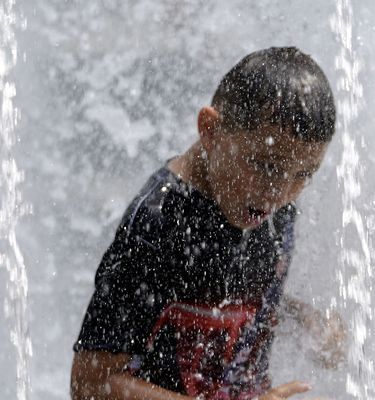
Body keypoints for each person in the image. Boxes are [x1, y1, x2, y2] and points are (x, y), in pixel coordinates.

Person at [70, 47, 344, 400]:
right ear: (210, 130)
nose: (281, 194)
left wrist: (305, 321)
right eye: (266, 166)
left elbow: (232, 293)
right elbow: (89, 383)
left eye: (304, 175)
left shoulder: (265, 200)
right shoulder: (159, 225)